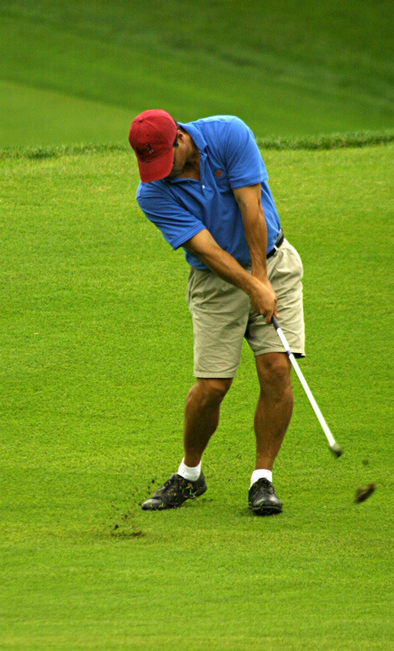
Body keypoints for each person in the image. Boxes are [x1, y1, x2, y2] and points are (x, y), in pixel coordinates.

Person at [128, 110, 305, 515]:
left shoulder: (229, 134)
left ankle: (262, 479)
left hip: (272, 261)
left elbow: (251, 208)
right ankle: (190, 474)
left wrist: (262, 279)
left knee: (276, 368)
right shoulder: (151, 193)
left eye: (163, 160)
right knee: (212, 386)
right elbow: (205, 248)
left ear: (178, 138)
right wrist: (252, 287)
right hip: (214, 282)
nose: (158, 173)